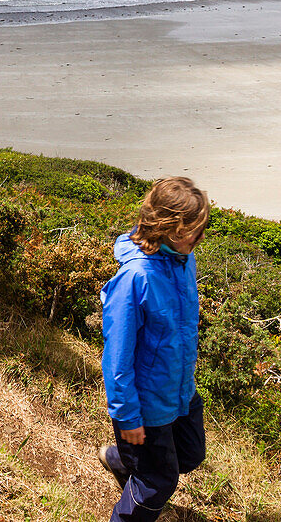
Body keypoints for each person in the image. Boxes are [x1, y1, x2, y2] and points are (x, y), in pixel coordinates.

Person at [98, 177, 209, 521]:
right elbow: (116, 359)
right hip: (147, 405)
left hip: (179, 389)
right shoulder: (135, 278)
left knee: (191, 455)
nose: (201, 237)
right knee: (159, 481)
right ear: (172, 230)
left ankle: (121, 460)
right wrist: (128, 417)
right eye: (196, 230)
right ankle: (133, 481)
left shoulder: (181, 259)